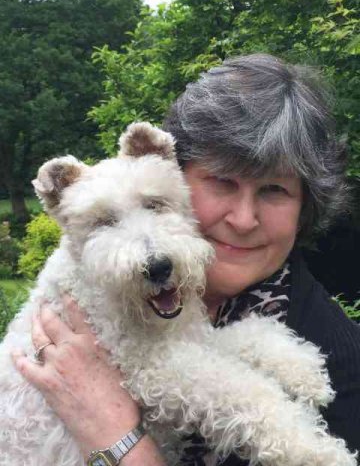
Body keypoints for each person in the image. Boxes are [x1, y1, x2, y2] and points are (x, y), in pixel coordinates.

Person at [12, 53, 360, 465]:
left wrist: (118, 440)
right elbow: (169, 364)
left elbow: (176, 360)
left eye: (274, 190)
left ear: (305, 208)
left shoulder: (343, 361)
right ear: (180, 173)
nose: (244, 219)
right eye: (221, 182)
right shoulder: (80, 289)